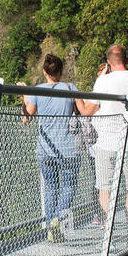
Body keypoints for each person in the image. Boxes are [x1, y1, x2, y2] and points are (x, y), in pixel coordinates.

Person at [77, 45, 128, 231]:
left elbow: (87, 111)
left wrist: (77, 97)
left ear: (108, 62)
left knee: (104, 188)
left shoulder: (103, 81)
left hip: (106, 143)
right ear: (127, 59)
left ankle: (109, 231)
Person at [22, 54, 83, 241]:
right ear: (62, 71)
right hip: (68, 147)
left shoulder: (38, 90)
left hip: (45, 147)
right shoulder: (70, 88)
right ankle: (59, 217)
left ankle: (50, 226)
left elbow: (26, 117)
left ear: (44, 72)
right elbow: (82, 110)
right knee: (69, 186)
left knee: (50, 188)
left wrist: (24, 95)